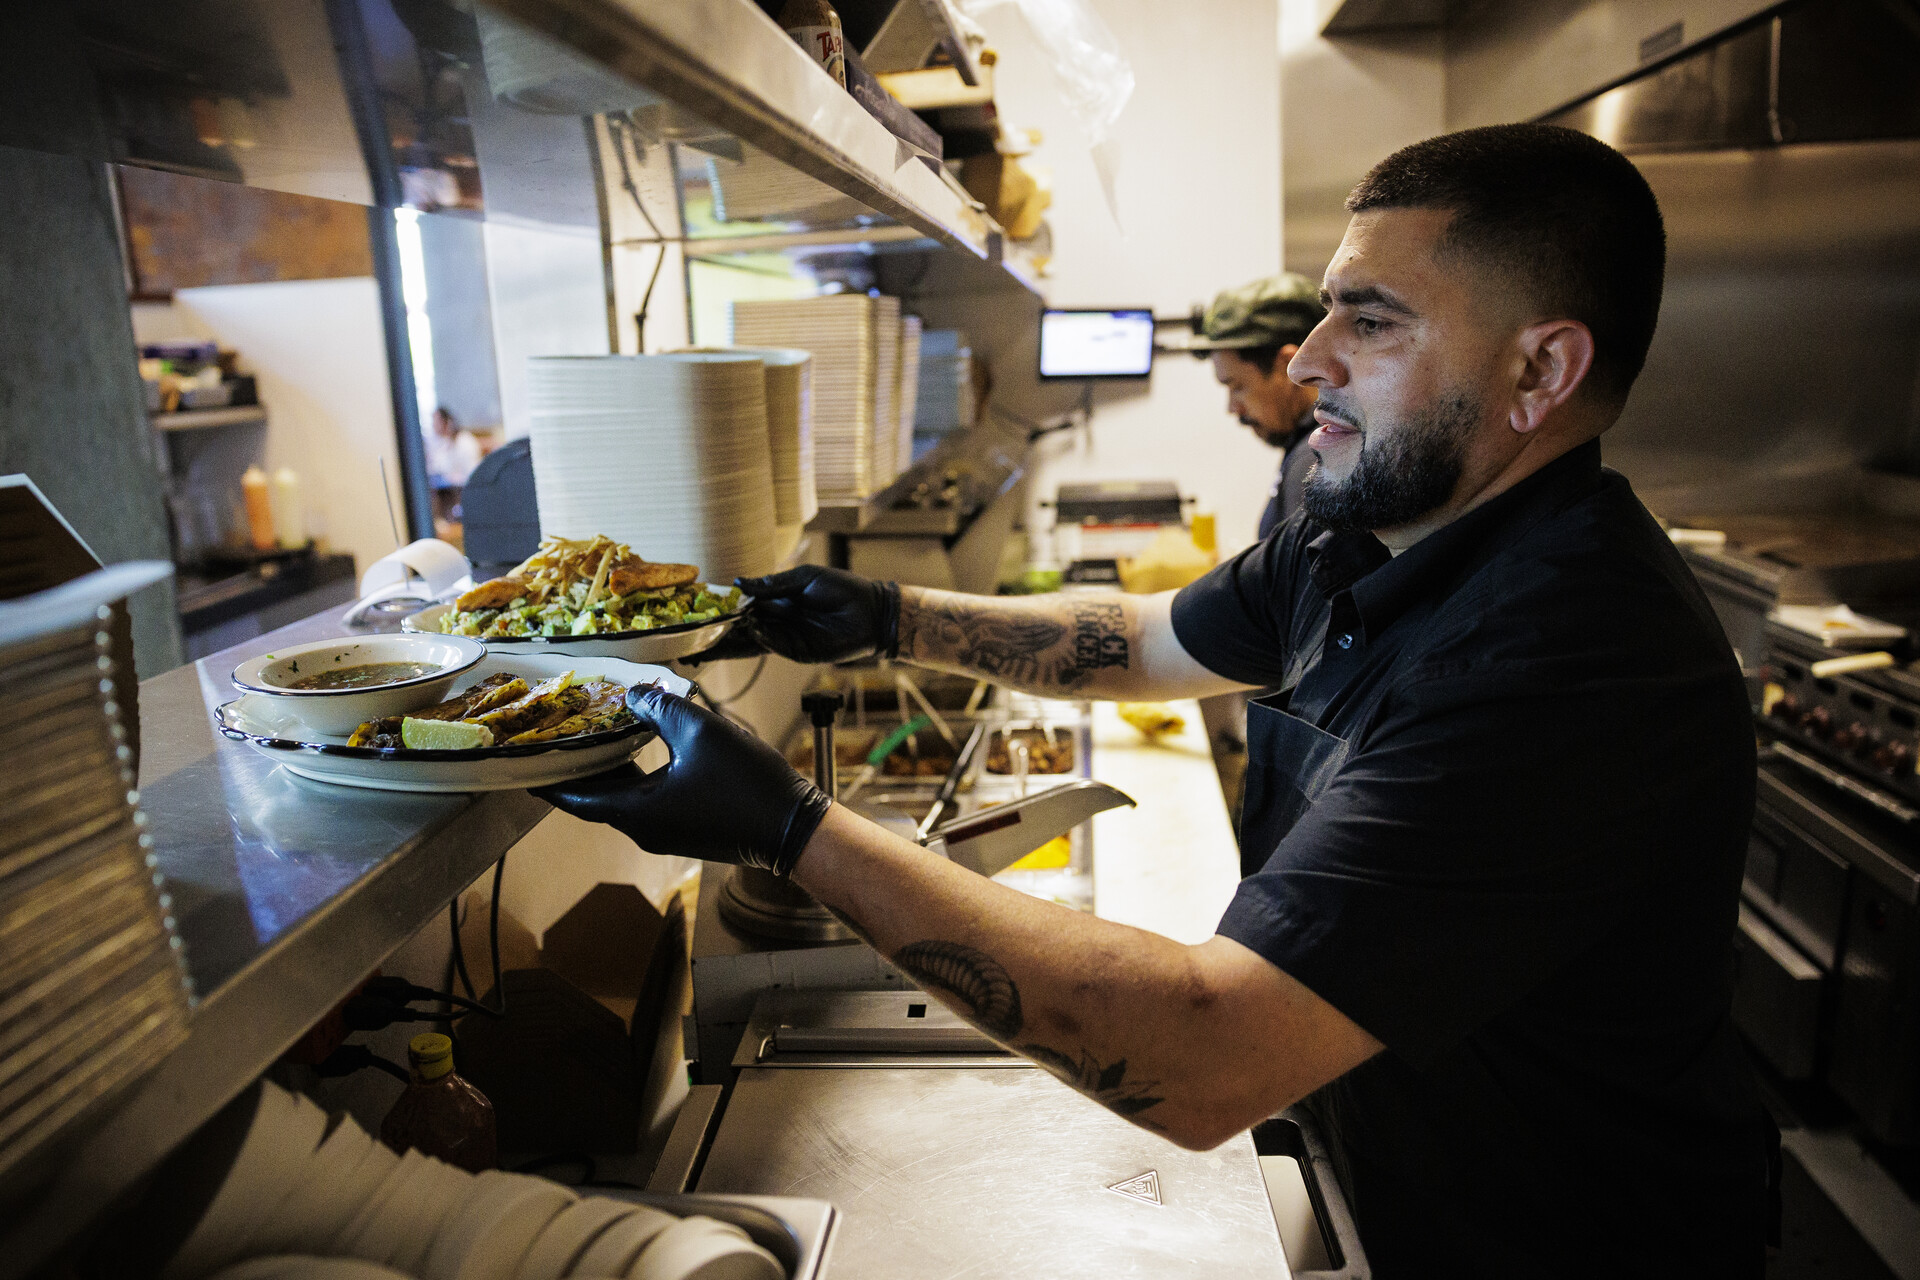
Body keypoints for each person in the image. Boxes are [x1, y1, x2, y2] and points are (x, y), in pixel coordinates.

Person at [540, 124, 1776, 1277]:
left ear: (1540, 369)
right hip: (1410, 1162)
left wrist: (789, 826)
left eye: (1374, 321)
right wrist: (890, 615)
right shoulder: (1379, 532)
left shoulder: (1566, 667)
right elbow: (1140, 638)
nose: (1309, 359)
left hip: (1566, 1235)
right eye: (1326, 306)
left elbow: (1202, 1055)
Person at [1187, 274, 1327, 538]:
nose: (1232, 408)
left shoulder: (1318, 461)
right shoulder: (1304, 446)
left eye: (1237, 386)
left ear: (1289, 364)